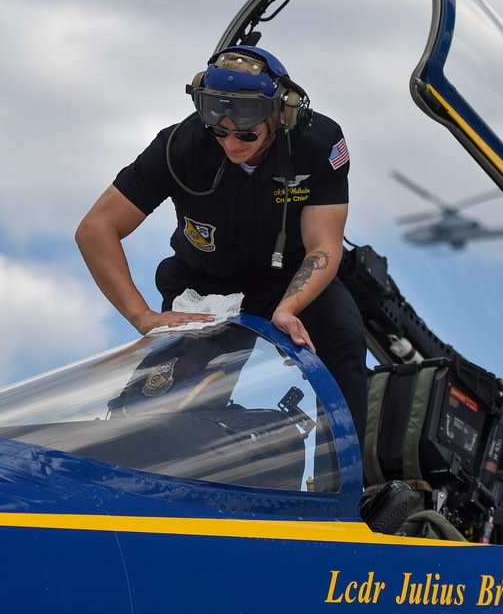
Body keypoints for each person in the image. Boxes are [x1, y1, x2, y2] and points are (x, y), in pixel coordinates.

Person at [75, 46, 367, 437]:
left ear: (282, 114)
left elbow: (324, 247)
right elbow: (95, 229)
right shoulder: (179, 146)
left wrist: (289, 308)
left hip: (287, 280)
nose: (231, 145)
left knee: (342, 337)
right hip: (203, 287)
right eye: (219, 131)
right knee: (156, 406)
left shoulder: (319, 143)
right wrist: (143, 318)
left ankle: (354, 488)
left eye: (246, 134)